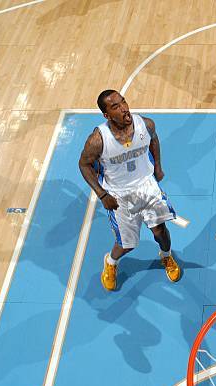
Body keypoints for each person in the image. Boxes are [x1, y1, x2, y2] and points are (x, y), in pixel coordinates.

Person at [78, 90, 181, 291]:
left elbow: (153, 140)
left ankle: (166, 256)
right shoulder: (98, 140)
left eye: (123, 101)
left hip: (147, 186)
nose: (124, 108)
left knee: (160, 230)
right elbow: (84, 165)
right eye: (115, 106)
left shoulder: (146, 124)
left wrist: (158, 166)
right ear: (106, 115)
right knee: (127, 244)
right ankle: (111, 262)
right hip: (119, 195)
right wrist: (102, 194)